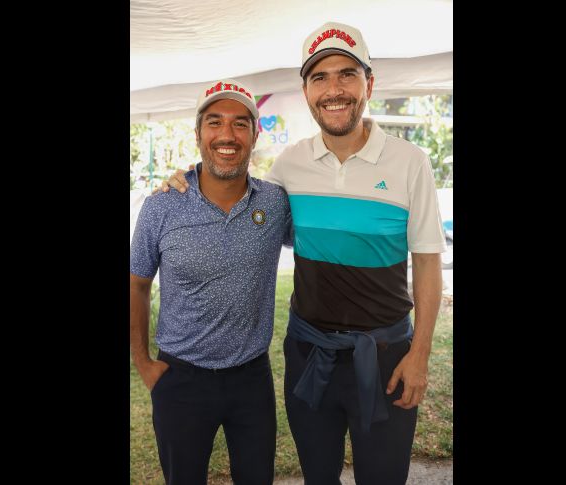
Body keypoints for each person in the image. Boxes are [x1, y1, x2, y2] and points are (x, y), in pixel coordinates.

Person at [161, 22, 446, 485]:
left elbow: (430, 265)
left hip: (388, 355)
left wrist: (420, 353)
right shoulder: (289, 165)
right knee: (317, 474)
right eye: (320, 77)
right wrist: (185, 181)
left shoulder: (410, 162)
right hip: (308, 352)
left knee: (383, 476)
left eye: (346, 74)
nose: (334, 89)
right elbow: (240, 195)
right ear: (307, 91)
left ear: (368, 84)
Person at [130, 78, 293, 485]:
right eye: (215, 122)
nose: (227, 135)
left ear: (255, 135)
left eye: (240, 124)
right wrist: (144, 365)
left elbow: (323, 237)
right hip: (181, 379)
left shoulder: (274, 204)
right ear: (199, 132)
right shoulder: (162, 206)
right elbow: (136, 284)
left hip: (251, 379)